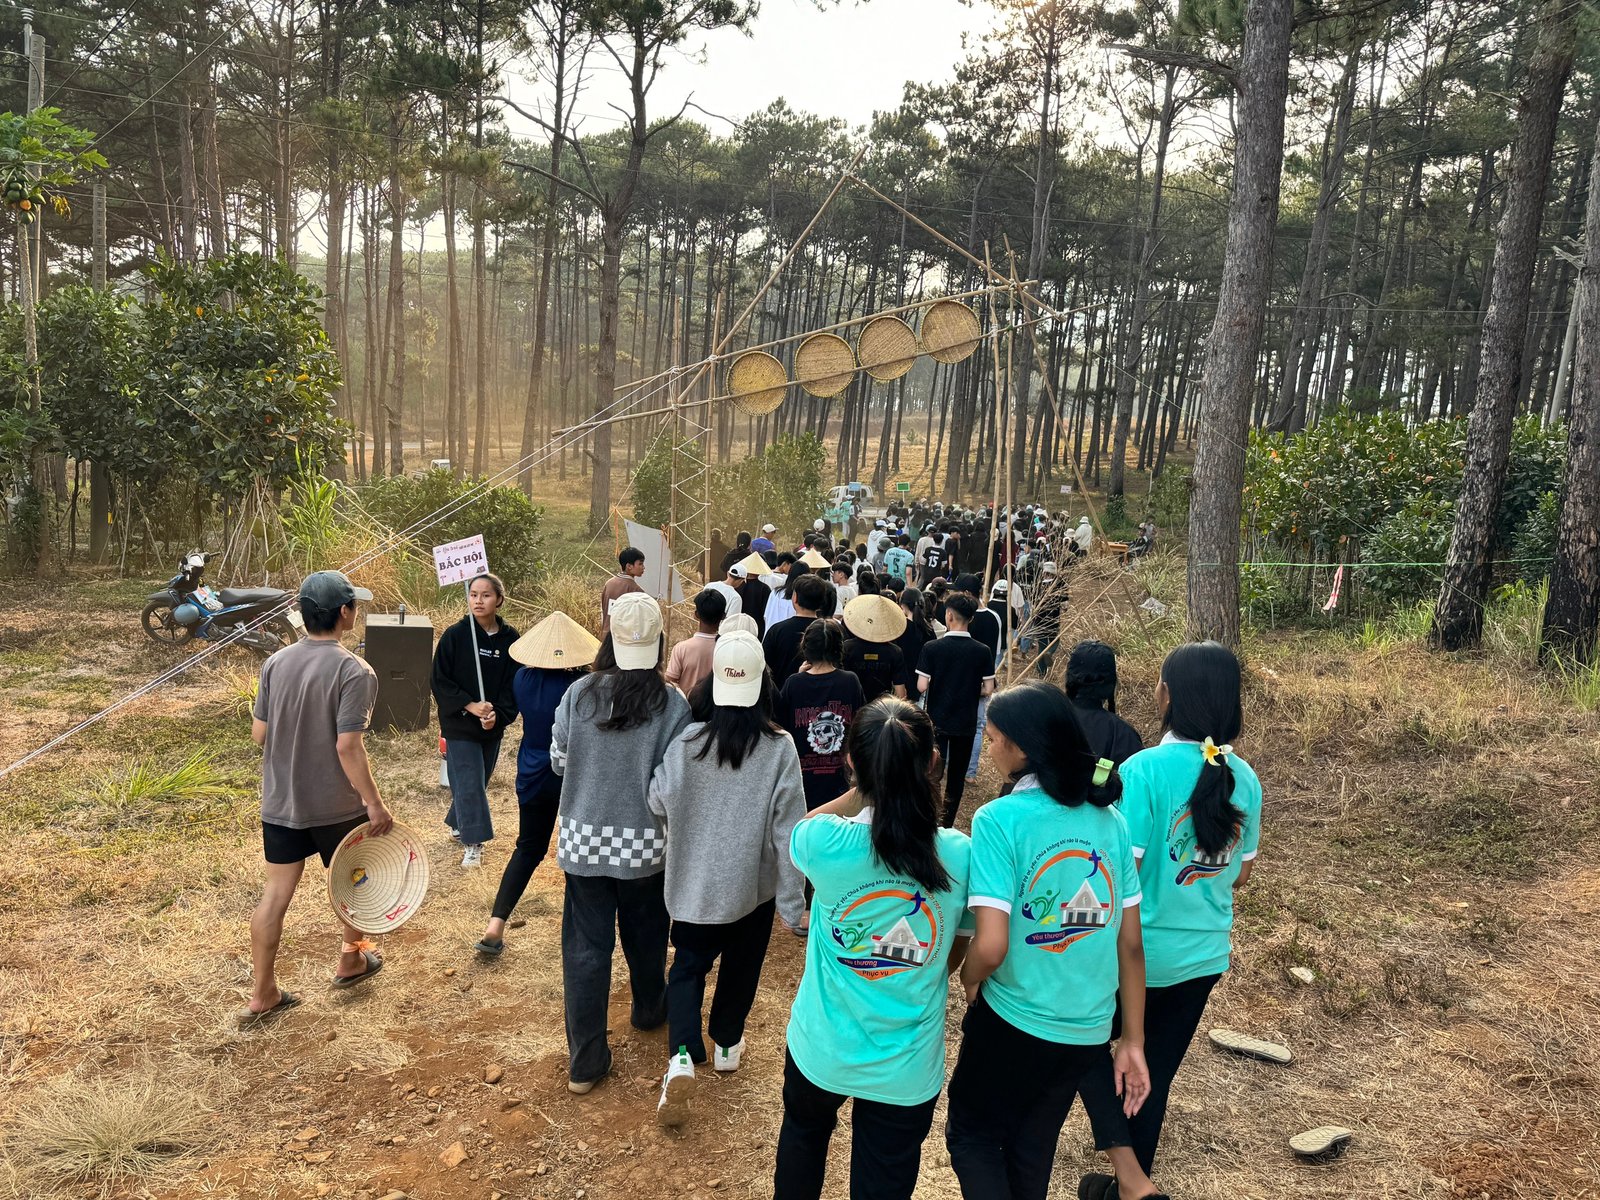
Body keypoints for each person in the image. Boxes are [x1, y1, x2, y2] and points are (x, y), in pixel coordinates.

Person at [945, 681, 1167, 1200]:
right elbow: (1131, 945)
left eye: (992, 738)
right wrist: (1132, 1040)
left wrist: (968, 977)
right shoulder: (1111, 822)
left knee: (974, 1136)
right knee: (1032, 1146)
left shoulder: (999, 819)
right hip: (1087, 1030)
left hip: (1013, 1020)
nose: (988, 748)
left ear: (1021, 748)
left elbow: (991, 946)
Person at [1076, 642, 1261, 1195]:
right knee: (1150, 1074)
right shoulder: (1245, 779)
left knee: (1080, 1050)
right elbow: (1240, 874)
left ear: (1167, 695)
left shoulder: (1143, 772)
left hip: (1131, 958)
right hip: (1202, 959)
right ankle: (1128, 1187)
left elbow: (1121, 875)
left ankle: (1121, 1178)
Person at [774, 698, 974, 1200]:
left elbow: (802, 827)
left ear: (850, 764)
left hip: (822, 1047)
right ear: (933, 762)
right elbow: (953, 953)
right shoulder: (958, 854)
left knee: (802, 1142)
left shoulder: (825, 844)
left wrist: (865, 783)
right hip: (906, 1066)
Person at [649, 632, 808, 1125]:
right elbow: (789, 831)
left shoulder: (688, 742)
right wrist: (792, 905)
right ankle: (727, 1044)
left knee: (687, 968)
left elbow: (657, 800)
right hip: (751, 892)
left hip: (692, 886)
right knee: (741, 969)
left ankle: (681, 1054)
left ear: (715, 683)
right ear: (763, 685)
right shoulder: (779, 748)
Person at [551, 593, 693, 1094]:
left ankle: (586, 1063)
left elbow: (559, 760)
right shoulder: (672, 703)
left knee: (586, 950)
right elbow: (675, 782)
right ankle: (649, 1010)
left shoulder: (579, 694)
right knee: (647, 935)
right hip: (646, 847)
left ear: (608, 636)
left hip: (582, 842)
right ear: (658, 642)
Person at [244, 570, 391, 1026]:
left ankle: (263, 992)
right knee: (356, 883)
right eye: (354, 606)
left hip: (281, 802)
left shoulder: (275, 663)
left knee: (274, 895)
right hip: (337, 806)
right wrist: (374, 803)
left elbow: (259, 735)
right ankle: (351, 958)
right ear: (345, 612)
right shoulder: (355, 670)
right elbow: (348, 747)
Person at [475, 612, 598, 958]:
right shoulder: (582, 686)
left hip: (531, 770)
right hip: (573, 773)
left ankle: (495, 925)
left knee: (528, 848)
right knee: (577, 850)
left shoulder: (522, 679)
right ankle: (582, 935)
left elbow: (510, 712)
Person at [432, 573, 521, 868]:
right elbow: (439, 680)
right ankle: (474, 842)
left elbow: (513, 686)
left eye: (485, 595)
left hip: (491, 726)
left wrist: (497, 715)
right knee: (469, 782)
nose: (478, 601)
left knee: (477, 782)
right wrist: (470, 706)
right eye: (473, 595)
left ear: (499, 600)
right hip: (459, 724)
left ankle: (458, 821)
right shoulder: (456, 635)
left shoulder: (511, 639)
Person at [916, 593, 996, 828]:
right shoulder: (982, 651)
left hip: (937, 720)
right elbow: (988, 688)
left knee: (932, 771)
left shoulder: (932, 648)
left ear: (949, 615)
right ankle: (947, 822)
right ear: (971, 618)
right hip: (965, 721)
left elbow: (922, 686)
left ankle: (929, 815)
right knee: (957, 776)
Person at [776, 619, 866, 811]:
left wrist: (799, 676)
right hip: (840, 781)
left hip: (802, 781)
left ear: (806, 647)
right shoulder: (850, 681)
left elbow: (781, 727)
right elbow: (860, 725)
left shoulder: (794, 683)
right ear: (838, 648)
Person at [1064, 641, 1143, 767]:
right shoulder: (1122, 734)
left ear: (1069, 678)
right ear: (1111, 683)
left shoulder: (1045, 717)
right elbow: (1134, 775)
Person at [763, 573, 834, 690]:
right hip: (826, 695)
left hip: (783, 694)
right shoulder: (830, 631)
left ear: (795, 597)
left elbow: (765, 666)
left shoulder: (777, 630)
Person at [841, 594, 910, 704]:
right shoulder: (895, 652)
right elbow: (900, 693)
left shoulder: (847, 647)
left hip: (853, 704)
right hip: (882, 706)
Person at [665, 588, 727, 697]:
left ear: (696, 615)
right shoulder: (726, 648)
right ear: (723, 616)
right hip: (717, 706)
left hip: (687, 706)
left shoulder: (681, 648)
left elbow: (670, 682)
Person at [1026, 564, 1069, 677]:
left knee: (1042, 645)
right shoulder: (1060, 585)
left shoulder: (1037, 585)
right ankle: (1049, 652)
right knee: (1055, 640)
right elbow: (1065, 605)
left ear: (1044, 572)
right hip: (1053, 620)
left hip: (1039, 620)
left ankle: (1041, 671)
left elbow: (1032, 604)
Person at [896, 586, 936, 683]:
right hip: (924, 681)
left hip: (902, 682)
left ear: (903, 605)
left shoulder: (899, 628)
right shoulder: (929, 629)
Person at [601, 547, 647, 633]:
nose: (643, 567)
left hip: (606, 634)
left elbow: (603, 612)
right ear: (629, 566)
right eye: (640, 564)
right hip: (623, 637)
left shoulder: (609, 584)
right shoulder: (637, 591)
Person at [729, 553, 773, 640]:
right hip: (756, 627)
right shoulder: (764, 588)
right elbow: (766, 612)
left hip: (736, 625)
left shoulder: (737, 585)